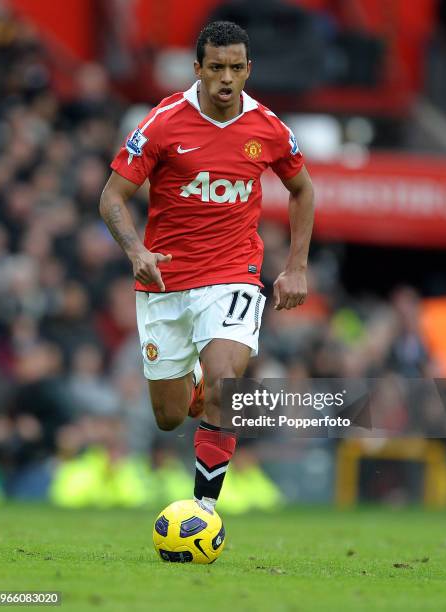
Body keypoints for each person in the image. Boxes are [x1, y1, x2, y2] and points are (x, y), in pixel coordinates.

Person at [100, 21, 314, 512]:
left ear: (248, 70)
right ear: (197, 69)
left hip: (234, 272)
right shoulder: (163, 122)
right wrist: (137, 252)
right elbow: (112, 198)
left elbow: (303, 189)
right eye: (215, 67)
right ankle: (192, 384)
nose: (225, 78)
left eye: (235, 68)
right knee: (170, 417)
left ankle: (203, 511)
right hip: (165, 279)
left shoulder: (268, 127)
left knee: (225, 381)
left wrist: (296, 266)